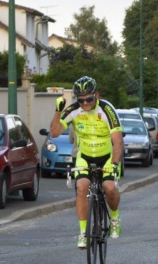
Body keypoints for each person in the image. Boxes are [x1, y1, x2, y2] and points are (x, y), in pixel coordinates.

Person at [50, 76, 123, 249]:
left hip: (106, 156)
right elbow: (54, 133)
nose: (85, 103)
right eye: (81, 100)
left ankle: (114, 218)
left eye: (89, 99)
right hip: (85, 155)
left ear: (96, 95)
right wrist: (58, 111)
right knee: (82, 188)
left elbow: (118, 142)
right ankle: (83, 233)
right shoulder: (74, 110)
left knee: (109, 188)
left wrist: (113, 164)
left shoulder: (107, 110)